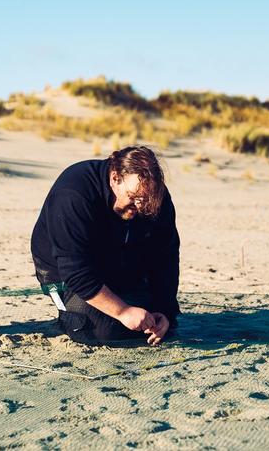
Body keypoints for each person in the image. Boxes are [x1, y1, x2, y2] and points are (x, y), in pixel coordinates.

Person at [31, 145, 180, 346]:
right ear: (115, 178)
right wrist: (122, 311)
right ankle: (70, 314)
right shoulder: (73, 193)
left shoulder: (152, 197)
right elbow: (74, 271)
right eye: (133, 198)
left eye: (145, 201)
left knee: (156, 324)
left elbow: (166, 257)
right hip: (63, 274)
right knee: (101, 331)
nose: (140, 207)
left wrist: (165, 311)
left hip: (120, 263)